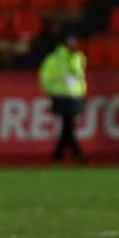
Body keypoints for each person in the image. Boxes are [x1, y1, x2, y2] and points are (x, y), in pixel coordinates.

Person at [38, 30, 86, 164]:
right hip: (61, 96)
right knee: (68, 126)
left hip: (75, 96)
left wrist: (82, 92)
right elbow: (45, 77)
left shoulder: (78, 57)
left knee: (67, 126)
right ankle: (76, 153)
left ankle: (58, 154)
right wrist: (51, 91)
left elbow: (80, 77)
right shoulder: (54, 59)